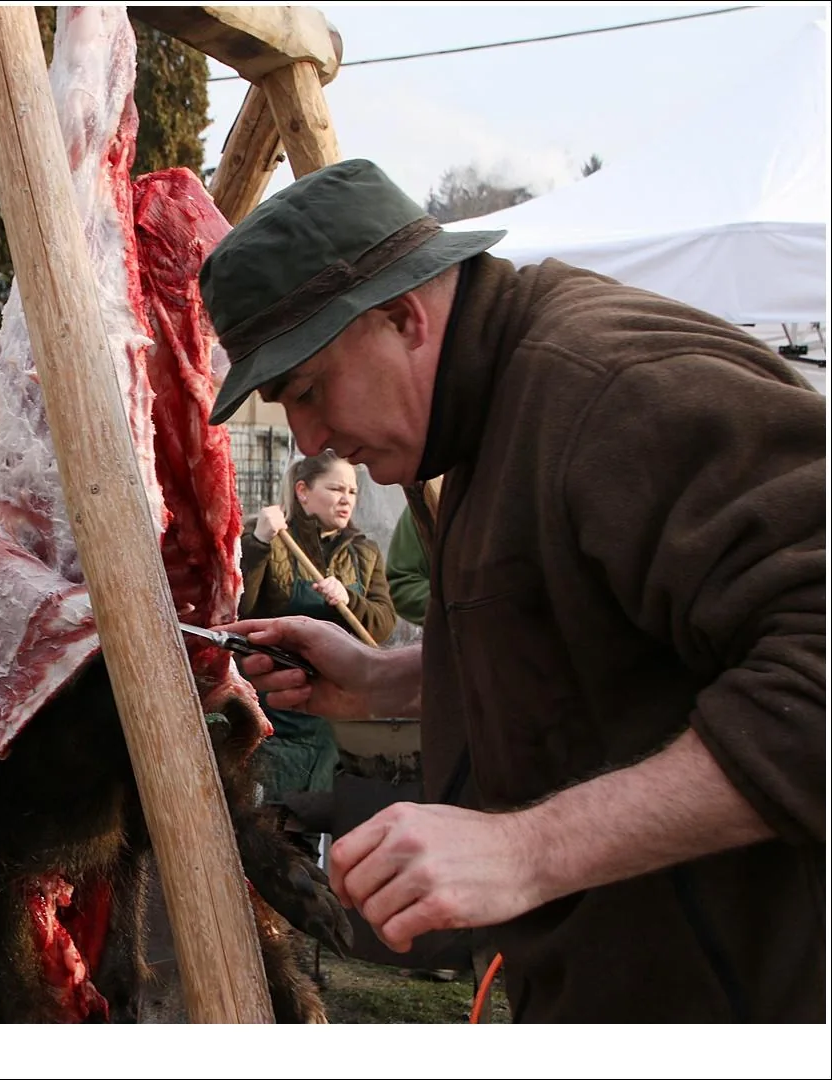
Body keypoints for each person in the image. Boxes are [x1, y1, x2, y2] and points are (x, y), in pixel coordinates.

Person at [199, 159, 825, 1022]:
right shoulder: (488, 413)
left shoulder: (611, 390)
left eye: (308, 390)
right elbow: (599, 633)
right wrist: (394, 677)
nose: (308, 435)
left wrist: (525, 849)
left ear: (401, 317)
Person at [239, 451, 395, 829]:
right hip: (277, 705)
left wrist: (349, 599)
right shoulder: (273, 541)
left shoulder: (364, 552)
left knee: (319, 816)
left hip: (333, 712)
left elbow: (383, 624)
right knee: (268, 822)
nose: (346, 499)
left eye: (353, 491)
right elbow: (242, 607)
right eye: (336, 488)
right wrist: (258, 542)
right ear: (303, 491)